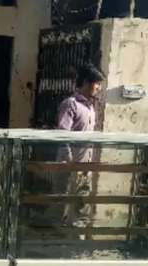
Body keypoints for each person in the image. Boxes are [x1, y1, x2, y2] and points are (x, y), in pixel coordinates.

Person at [56, 65, 105, 227]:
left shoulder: (90, 106)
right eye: (96, 83)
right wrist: (69, 162)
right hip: (69, 164)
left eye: (99, 84)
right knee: (63, 201)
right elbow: (63, 134)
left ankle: (76, 243)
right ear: (85, 82)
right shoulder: (71, 104)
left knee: (82, 202)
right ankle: (57, 238)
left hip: (85, 164)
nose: (98, 88)